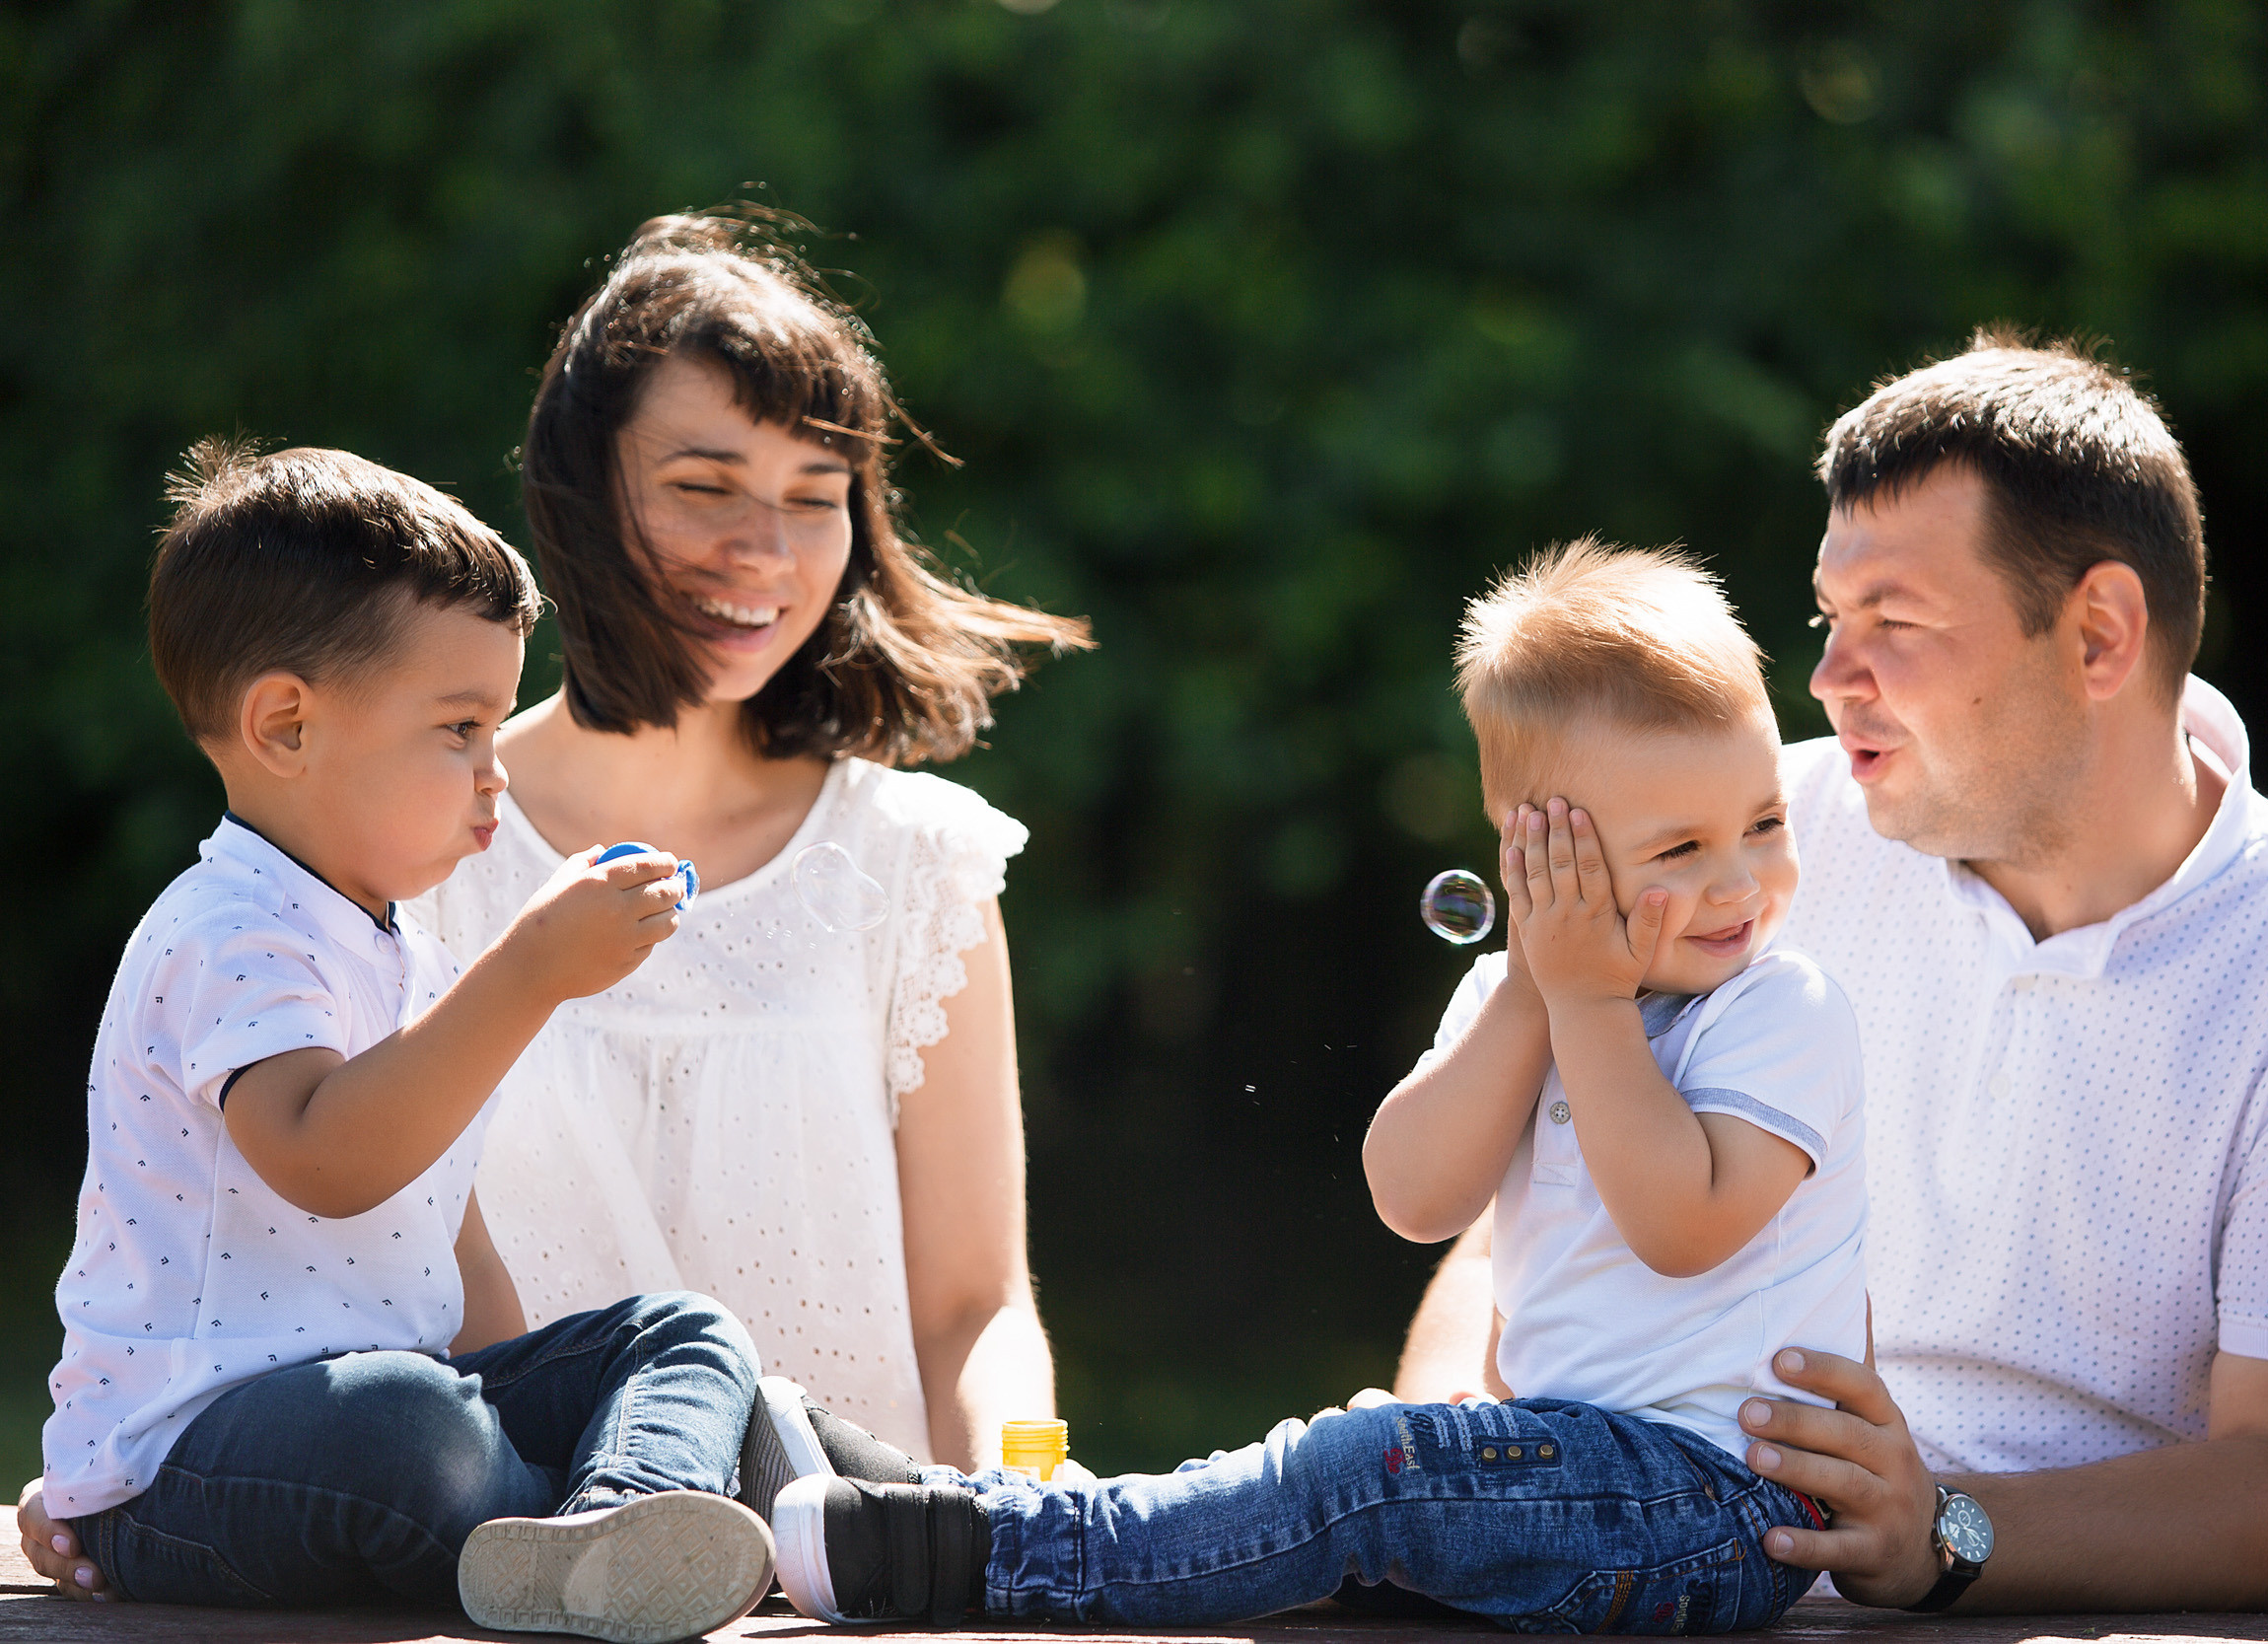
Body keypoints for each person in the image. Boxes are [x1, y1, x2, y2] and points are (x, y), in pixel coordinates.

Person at [21, 208, 1089, 1601]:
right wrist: (141, 1461)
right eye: (706, 483)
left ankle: (698, 1512)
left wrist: (1024, 1475)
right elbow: (263, 1205)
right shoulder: (390, 836)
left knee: (754, 1397)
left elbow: (972, 1301)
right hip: (412, 1494)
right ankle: (598, 1535)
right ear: (583, 492)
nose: (764, 545)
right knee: (414, 1429)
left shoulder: (919, 858)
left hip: (800, 1582)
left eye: (817, 490)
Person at [1392, 331, 2268, 1612]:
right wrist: (1450, 1464)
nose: (1831, 678)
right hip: (1663, 1590)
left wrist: (1943, 1531)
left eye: (1892, 622)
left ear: (2101, 633)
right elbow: (1520, 1227)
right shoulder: (1745, 847)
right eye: (1828, 619)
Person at [729, 540, 1865, 1632]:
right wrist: (1536, 991)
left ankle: (999, 1547)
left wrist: (1588, 1007)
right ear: (1538, 858)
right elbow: (1414, 1196)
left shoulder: (1778, 1007)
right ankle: (955, 1513)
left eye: (1764, 822)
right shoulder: (1523, 1004)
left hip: (1721, 1503)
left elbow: (1682, 1223)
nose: (1739, 882)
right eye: (1679, 851)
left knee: (1358, 1470)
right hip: (1574, 1475)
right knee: (1367, 1462)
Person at [37, 442, 777, 1642]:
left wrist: (534, 1393)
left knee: (676, 1328)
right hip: (193, 1458)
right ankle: (677, 1503)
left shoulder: (406, 954)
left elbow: (449, 1248)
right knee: (407, 1416)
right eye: (459, 729)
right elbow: (328, 1159)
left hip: (385, 1434)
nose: (497, 776)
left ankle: (624, 1520)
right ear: (284, 724)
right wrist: (529, 971)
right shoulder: (230, 926)